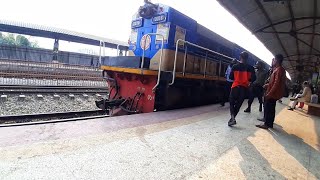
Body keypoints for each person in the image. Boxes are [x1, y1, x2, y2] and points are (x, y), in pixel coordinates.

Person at [256, 54, 286, 129]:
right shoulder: (278, 69)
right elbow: (274, 82)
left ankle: (267, 124)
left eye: (274, 59)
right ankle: (267, 121)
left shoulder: (279, 70)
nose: (273, 61)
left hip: (273, 93)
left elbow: (276, 83)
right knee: (269, 107)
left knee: (269, 107)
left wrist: (269, 93)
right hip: (273, 92)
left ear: (277, 60)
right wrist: (267, 85)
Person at [228, 51, 256, 126]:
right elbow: (253, 78)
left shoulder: (234, 66)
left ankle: (232, 118)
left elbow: (230, 77)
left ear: (240, 57)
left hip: (235, 87)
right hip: (244, 88)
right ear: (247, 58)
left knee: (231, 102)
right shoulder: (251, 68)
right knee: (238, 104)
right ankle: (232, 119)